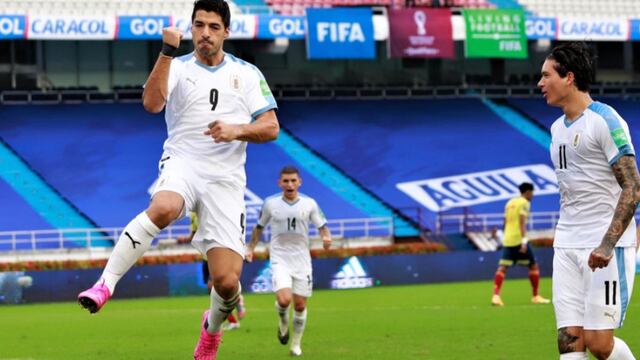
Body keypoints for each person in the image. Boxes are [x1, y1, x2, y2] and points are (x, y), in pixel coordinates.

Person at [77, 0, 279, 358]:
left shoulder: (247, 73)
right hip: (183, 161)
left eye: (213, 27)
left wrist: (236, 129)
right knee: (164, 207)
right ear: (192, 28)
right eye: (199, 25)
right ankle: (104, 285)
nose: (204, 33)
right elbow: (152, 104)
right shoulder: (176, 65)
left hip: (226, 180)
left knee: (227, 283)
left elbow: (271, 127)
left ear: (226, 32)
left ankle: (211, 331)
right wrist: (167, 51)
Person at [539, 42, 638, 360]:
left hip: (604, 247)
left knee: (598, 343)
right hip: (566, 243)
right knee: (569, 340)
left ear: (568, 77)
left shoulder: (605, 121)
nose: (540, 83)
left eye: (546, 75)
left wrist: (607, 245)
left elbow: (633, 187)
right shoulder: (556, 129)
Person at [246, 166, 332, 357]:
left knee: (300, 305)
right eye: (286, 181)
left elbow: (323, 226)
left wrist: (326, 237)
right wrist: (250, 248)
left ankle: (295, 344)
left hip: (302, 260)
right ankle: (283, 322)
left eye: (293, 180)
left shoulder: (309, 204)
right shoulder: (270, 203)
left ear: (300, 182)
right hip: (279, 258)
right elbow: (259, 228)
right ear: (280, 183)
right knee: (284, 299)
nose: (290, 184)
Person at [177, 212, 246, 330]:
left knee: (214, 288)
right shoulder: (193, 215)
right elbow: (193, 234)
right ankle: (234, 315)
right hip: (206, 256)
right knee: (213, 292)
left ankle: (237, 305)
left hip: (218, 255)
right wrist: (184, 239)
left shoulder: (213, 208)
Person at [491, 182, 551, 306]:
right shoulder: (525, 203)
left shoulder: (510, 202)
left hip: (508, 239)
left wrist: (503, 236)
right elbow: (522, 222)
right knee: (533, 266)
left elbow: (505, 221)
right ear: (528, 192)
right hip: (519, 239)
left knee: (502, 267)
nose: (533, 195)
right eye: (532, 193)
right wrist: (524, 241)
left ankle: (496, 296)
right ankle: (535, 296)